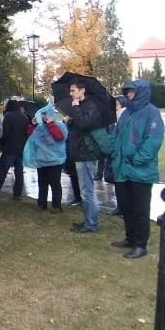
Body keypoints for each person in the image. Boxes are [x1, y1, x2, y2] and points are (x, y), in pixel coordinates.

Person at [110, 80, 165, 258]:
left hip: (140, 171)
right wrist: (115, 154)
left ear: (141, 92)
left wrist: (137, 159)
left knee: (140, 209)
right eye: (127, 92)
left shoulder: (151, 112)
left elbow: (153, 140)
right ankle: (130, 237)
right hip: (122, 169)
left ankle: (140, 244)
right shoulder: (127, 113)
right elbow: (116, 136)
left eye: (132, 92)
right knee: (126, 207)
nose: (129, 95)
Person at [66, 79, 103, 234]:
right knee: (85, 190)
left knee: (87, 190)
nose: (71, 93)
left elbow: (84, 124)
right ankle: (89, 220)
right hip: (79, 152)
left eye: (73, 90)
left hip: (86, 153)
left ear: (82, 91)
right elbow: (78, 128)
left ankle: (91, 223)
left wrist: (75, 108)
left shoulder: (90, 105)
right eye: (70, 91)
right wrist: (69, 121)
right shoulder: (81, 106)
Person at [22, 104, 68, 211]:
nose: (43, 117)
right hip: (42, 160)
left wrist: (50, 124)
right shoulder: (40, 127)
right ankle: (41, 204)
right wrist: (32, 125)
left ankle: (56, 206)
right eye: (42, 115)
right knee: (42, 183)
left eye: (45, 115)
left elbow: (59, 137)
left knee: (55, 183)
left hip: (55, 161)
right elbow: (31, 136)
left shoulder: (59, 125)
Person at [0, 99, 31, 199]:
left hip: (9, 148)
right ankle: (17, 194)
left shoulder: (8, 116)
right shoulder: (25, 117)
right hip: (21, 149)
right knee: (19, 172)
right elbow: (27, 134)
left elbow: (5, 133)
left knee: (3, 171)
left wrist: (2, 144)